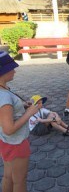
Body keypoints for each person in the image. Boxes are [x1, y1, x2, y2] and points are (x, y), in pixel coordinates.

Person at [0, 51, 41, 192]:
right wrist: (29, 113)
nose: (14, 71)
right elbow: (9, 129)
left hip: (6, 142)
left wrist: (22, 106)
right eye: (11, 68)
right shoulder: (4, 97)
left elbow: (5, 114)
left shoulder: (3, 90)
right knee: (19, 181)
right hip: (16, 143)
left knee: (8, 177)